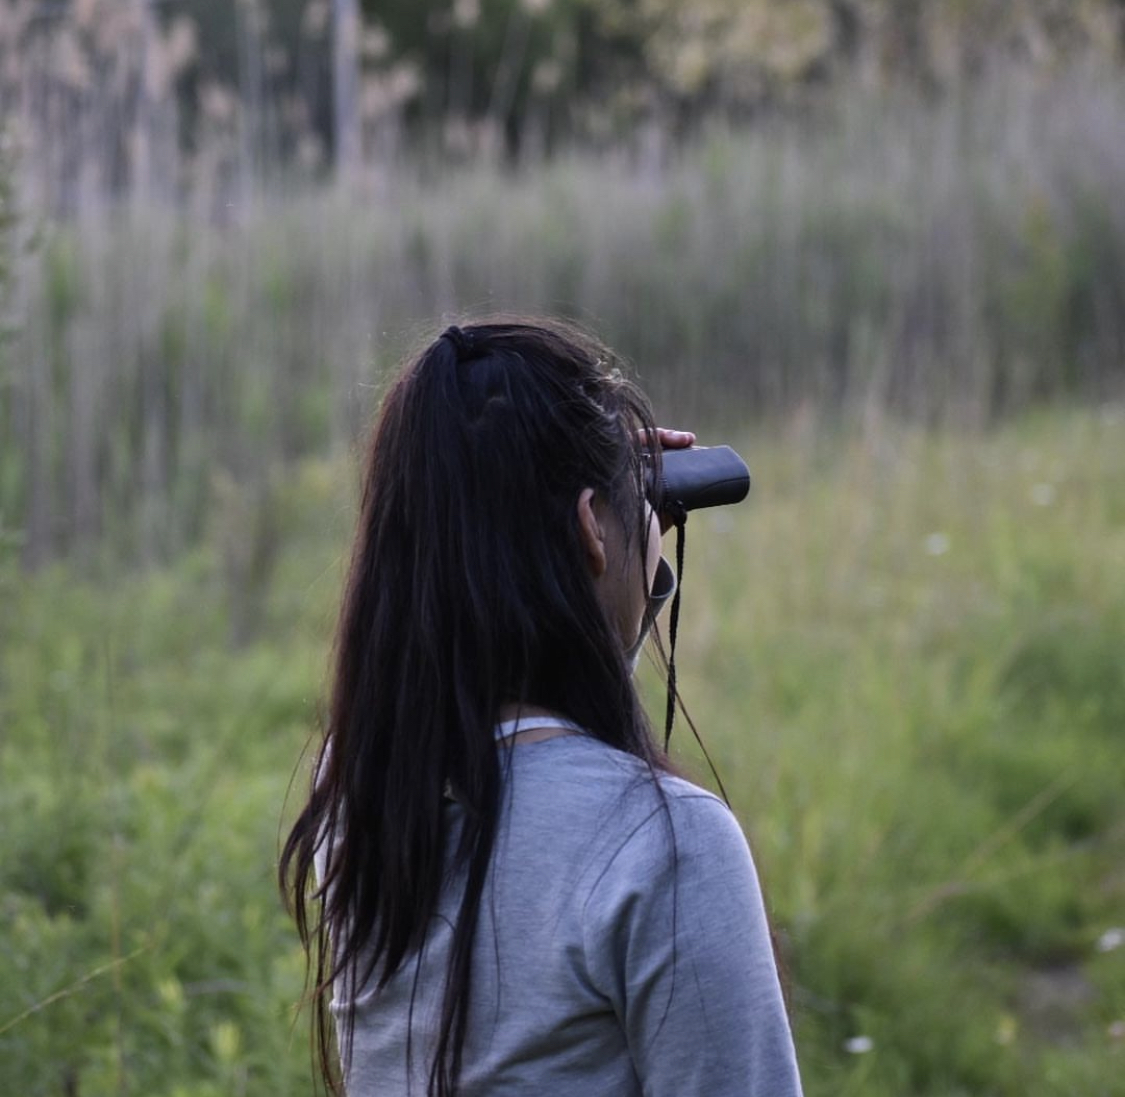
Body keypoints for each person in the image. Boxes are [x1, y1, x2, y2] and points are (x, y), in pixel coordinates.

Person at [280, 319, 802, 1097]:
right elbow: (570, 777)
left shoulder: (362, 793)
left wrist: (608, 534)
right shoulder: (667, 847)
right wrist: (616, 541)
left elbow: (545, 742)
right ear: (590, 527)